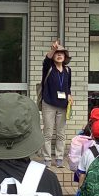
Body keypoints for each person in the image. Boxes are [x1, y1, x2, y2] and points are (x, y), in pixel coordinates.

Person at [39, 40, 72, 168]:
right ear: (53, 56)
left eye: (61, 53)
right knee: (48, 133)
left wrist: (69, 95)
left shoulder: (68, 70)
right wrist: (52, 49)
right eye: (56, 53)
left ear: (65, 57)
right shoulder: (49, 67)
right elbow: (46, 60)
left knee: (61, 134)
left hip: (63, 106)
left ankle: (59, 159)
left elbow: (68, 86)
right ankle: (47, 159)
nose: (59, 55)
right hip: (49, 104)